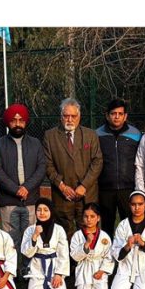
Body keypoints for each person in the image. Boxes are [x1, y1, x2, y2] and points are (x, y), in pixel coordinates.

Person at [0, 103, 46, 258]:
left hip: (31, 199)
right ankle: (13, 273)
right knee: (10, 240)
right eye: (13, 121)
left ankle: (29, 271)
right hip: (9, 200)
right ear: (8, 123)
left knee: (31, 237)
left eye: (21, 120)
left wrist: (27, 187)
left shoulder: (35, 143)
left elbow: (41, 168)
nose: (17, 124)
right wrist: (16, 189)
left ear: (25, 122)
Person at [43, 97, 103, 237]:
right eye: (66, 116)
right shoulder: (50, 136)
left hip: (86, 195)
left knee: (88, 233)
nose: (69, 119)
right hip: (62, 196)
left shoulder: (90, 135)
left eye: (73, 116)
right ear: (61, 116)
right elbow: (47, 164)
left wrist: (84, 186)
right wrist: (62, 186)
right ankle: (67, 260)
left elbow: (97, 162)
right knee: (64, 235)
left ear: (79, 116)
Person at [95, 99, 142, 236]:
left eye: (120, 114)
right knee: (106, 227)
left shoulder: (136, 134)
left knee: (129, 226)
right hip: (105, 189)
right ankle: (107, 254)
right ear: (107, 115)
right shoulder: (97, 134)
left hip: (128, 188)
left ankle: (128, 254)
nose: (116, 116)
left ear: (125, 116)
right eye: (113, 113)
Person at [110, 190, 145, 289]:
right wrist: (127, 246)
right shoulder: (123, 225)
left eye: (140, 204)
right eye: (133, 204)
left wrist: (143, 244)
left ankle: (142, 286)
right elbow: (115, 251)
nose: (137, 208)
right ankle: (129, 288)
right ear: (129, 205)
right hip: (126, 267)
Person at [21, 198, 70, 289]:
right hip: (37, 267)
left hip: (54, 266)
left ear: (51, 211)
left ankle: (48, 287)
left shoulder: (59, 229)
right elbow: (26, 253)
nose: (42, 213)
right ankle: (40, 287)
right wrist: (34, 237)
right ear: (35, 212)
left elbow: (63, 253)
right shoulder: (30, 230)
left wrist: (59, 274)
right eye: (39, 210)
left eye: (45, 210)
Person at [69, 203, 114, 289]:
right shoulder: (77, 235)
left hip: (99, 267)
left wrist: (102, 271)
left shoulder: (104, 236)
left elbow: (109, 256)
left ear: (98, 218)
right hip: (84, 266)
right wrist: (86, 244)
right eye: (86, 216)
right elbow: (74, 256)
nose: (89, 219)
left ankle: (99, 285)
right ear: (82, 218)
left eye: (92, 216)